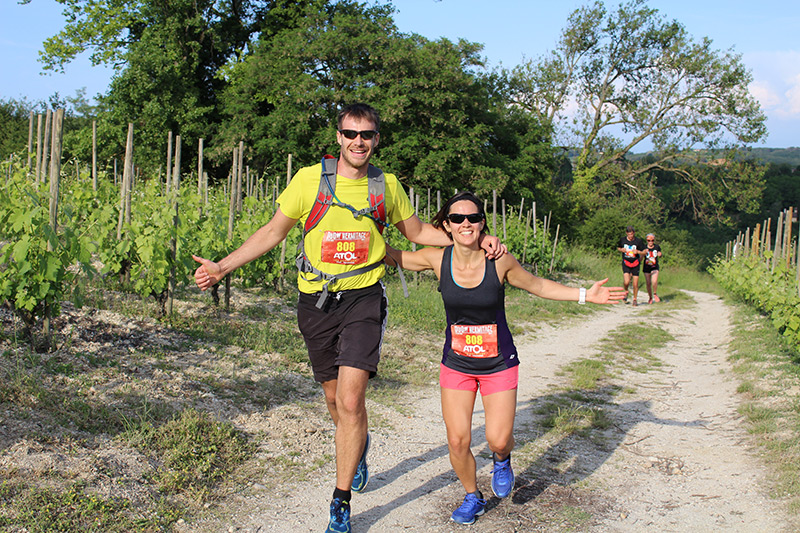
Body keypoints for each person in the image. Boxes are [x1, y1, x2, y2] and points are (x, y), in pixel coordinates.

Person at [191, 104, 505, 533]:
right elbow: (272, 231)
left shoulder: (385, 185)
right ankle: (356, 445)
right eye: (351, 133)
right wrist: (223, 267)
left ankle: (341, 501)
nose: (359, 141)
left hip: (364, 298)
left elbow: (416, 233)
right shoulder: (308, 180)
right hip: (315, 302)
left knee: (352, 401)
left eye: (368, 134)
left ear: (377, 140)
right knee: (335, 401)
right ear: (338, 137)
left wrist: (475, 237)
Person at [385, 192, 625, 525]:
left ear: (483, 223)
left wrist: (585, 294)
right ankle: (473, 496)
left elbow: (538, 286)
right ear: (446, 226)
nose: (465, 223)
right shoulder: (437, 259)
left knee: (498, 438)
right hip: (456, 364)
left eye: (473, 218)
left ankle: (502, 458)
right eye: (457, 219)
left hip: (498, 364)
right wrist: (352, 229)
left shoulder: (500, 261)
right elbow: (391, 255)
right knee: (457, 439)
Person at [616, 225, 646, 306]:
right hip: (626, 262)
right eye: (629, 234)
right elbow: (618, 247)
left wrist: (638, 252)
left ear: (634, 233)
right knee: (626, 281)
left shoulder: (638, 241)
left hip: (635, 263)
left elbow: (645, 251)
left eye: (632, 234)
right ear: (626, 233)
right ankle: (626, 291)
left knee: (635, 284)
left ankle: (635, 299)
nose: (631, 236)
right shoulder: (622, 240)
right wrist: (621, 250)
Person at [643, 233, 662, 304]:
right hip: (646, 267)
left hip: (655, 267)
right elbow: (641, 259)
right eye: (649, 240)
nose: (650, 242)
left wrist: (660, 255)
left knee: (654, 281)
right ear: (647, 240)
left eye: (652, 240)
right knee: (648, 283)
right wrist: (643, 253)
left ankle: (655, 293)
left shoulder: (657, 247)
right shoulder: (644, 247)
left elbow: (659, 253)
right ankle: (650, 297)